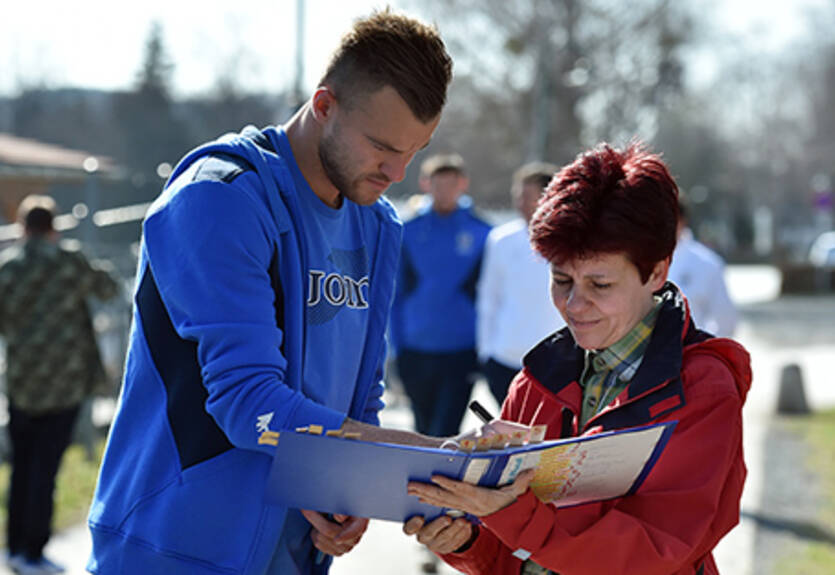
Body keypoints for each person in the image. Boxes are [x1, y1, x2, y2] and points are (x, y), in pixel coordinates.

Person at [87, 11, 453, 575]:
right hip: (172, 548)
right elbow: (247, 403)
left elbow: (360, 393)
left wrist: (349, 486)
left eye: (415, 150)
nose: (399, 172)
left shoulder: (377, 224)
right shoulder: (219, 198)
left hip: (290, 554)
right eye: (382, 147)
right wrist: (434, 455)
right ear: (324, 105)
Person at [403, 142, 752, 575]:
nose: (574, 305)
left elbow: (654, 552)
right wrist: (469, 541)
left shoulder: (702, 388)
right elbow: (511, 556)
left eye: (600, 284)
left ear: (658, 272)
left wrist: (515, 511)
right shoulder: (536, 380)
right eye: (560, 279)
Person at [0, 195, 118, 575]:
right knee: (45, 469)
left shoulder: (7, 269)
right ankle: (34, 551)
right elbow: (109, 290)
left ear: (21, 227)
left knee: (21, 467)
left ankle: (16, 546)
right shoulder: (68, 260)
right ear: (53, 227)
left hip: (21, 383)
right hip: (66, 384)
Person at [390, 153, 492, 437]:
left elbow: (490, 296)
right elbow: (394, 294)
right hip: (415, 348)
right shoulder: (406, 230)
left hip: (461, 350)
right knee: (421, 431)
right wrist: (396, 348)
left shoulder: (483, 232)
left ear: (463, 184)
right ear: (425, 184)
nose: (444, 190)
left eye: (451, 183)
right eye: (438, 183)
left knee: (446, 432)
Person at [476, 161, 565, 405]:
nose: (520, 202)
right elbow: (488, 297)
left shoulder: (571, 241)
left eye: (527, 196)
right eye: (518, 195)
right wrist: (486, 352)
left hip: (555, 363)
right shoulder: (500, 240)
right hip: (504, 360)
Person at [668, 198, 738, 337]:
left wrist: (701, 351)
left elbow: (726, 320)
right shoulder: (633, 260)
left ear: (682, 221)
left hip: (688, 354)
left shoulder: (707, 263)